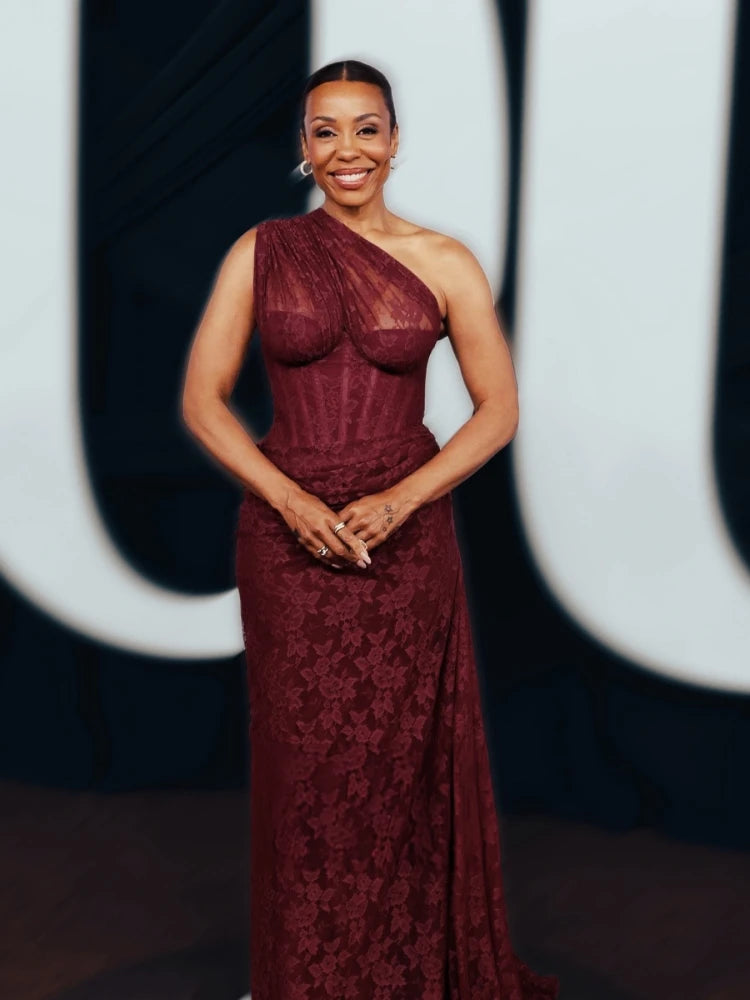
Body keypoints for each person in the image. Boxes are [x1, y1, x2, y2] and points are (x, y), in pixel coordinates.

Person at [182, 58, 559, 1000]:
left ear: (394, 141)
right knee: (303, 777)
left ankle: (400, 974)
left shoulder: (445, 261)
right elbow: (202, 400)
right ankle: (302, 980)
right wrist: (291, 501)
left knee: (401, 772)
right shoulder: (261, 250)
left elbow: (497, 408)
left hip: (405, 539)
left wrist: (403, 500)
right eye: (325, 131)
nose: (347, 149)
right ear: (305, 150)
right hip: (289, 540)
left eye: (365, 128)